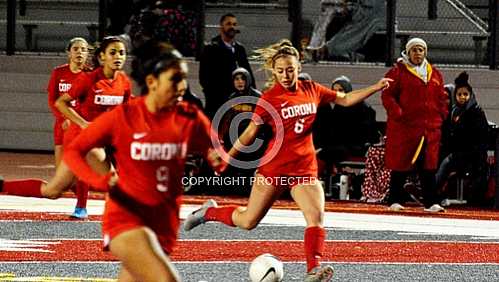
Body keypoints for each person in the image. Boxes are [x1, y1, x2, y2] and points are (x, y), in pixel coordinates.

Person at [183, 40, 391, 282]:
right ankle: (210, 212)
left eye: (290, 69)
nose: (285, 75)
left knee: (315, 217)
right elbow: (250, 132)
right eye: (280, 70)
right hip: (274, 170)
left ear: (298, 66)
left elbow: (344, 99)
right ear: (274, 71)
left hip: (304, 169)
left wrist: (375, 87)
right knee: (248, 221)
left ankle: (314, 268)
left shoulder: (311, 89)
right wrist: (228, 155)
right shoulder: (270, 99)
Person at [64, 41, 223, 282]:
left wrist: (220, 160)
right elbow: (74, 151)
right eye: (175, 79)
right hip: (126, 215)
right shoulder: (124, 116)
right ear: (151, 82)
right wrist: (98, 180)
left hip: (164, 220)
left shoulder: (190, 118)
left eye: (184, 79)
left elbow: (217, 157)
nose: (182, 87)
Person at [0, 36, 131, 219]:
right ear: (102, 56)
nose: (118, 56)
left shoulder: (124, 82)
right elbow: (61, 103)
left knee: (52, 191)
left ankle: (2, 186)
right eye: (113, 52)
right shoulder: (89, 79)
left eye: (122, 53)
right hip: (80, 138)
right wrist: (84, 124)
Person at [382, 37, 449, 212]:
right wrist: (397, 112)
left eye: (421, 50)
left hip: (430, 128)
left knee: (428, 166)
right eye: (414, 50)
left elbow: (442, 97)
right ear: (407, 52)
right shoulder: (397, 72)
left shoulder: (434, 73)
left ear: (425, 52)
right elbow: (387, 95)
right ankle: (394, 199)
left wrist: (442, 114)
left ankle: (431, 202)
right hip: (406, 128)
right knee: (401, 164)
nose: (417, 53)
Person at [436, 72, 489, 206]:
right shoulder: (454, 111)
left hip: (472, 155)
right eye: (459, 94)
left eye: (465, 94)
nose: (462, 97)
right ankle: (433, 192)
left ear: (470, 96)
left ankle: (431, 192)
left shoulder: (476, 112)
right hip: (457, 152)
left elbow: (480, 137)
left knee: (447, 162)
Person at [313, 75, 378, 179]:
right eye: (334, 90)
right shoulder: (336, 108)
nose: (337, 93)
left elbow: (364, 133)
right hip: (340, 145)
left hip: (355, 146)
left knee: (323, 153)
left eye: (341, 90)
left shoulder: (361, 107)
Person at [199, 13, 255, 119]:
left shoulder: (240, 49)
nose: (232, 27)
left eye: (234, 24)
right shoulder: (211, 49)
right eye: (228, 24)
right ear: (221, 26)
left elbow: (248, 74)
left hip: (237, 104)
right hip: (217, 104)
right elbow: (204, 78)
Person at [46, 37, 89, 168]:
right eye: (75, 49)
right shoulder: (58, 72)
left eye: (83, 49)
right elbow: (52, 99)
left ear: (87, 53)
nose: (79, 52)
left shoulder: (90, 74)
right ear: (69, 52)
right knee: (61, 171)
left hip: (81, 124)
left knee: (81, 170)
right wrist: (63, 117)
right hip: (63, 124)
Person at [307, 0, 385, 61]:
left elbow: (364, 12)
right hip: (359, 15)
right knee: (332, 16)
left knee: (361, 28)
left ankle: (326, 50)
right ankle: (321, 49)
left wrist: (348, 7)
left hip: (371, 18)